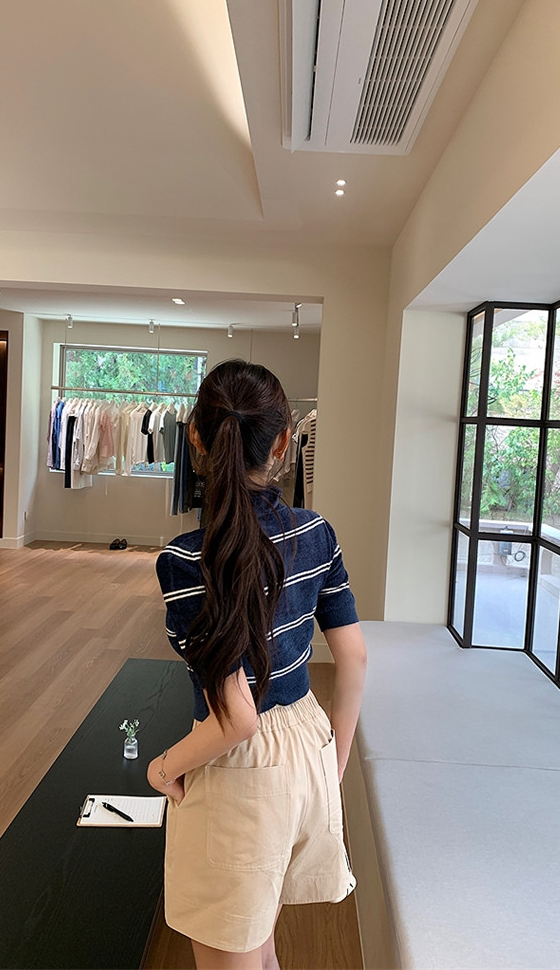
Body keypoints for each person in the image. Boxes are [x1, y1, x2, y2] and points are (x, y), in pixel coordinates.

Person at [147, 359, 367, 970]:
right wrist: (332, 765)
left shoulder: (187, 560)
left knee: (234, 952)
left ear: (196, 438)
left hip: (240, 766)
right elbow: (353, 657)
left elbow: (237, 718)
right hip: (310, 744)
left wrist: (162, 770)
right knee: (259, 945)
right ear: (282, 442)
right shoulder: (316, 533)